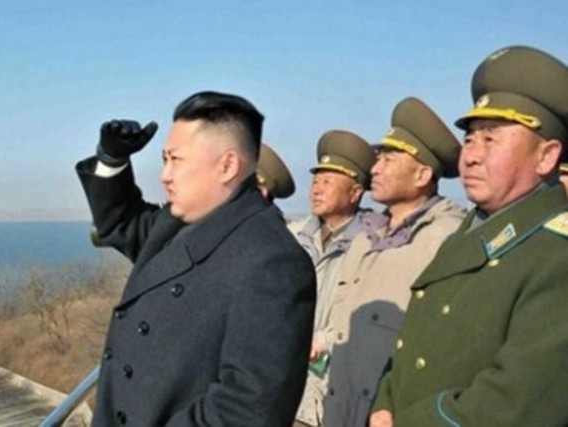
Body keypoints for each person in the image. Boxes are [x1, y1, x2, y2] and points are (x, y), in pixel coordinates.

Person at [76, 91, 316, 427]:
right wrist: (112, 158)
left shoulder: (274, 262)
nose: (165, 175)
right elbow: (120, 222)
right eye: (165, 159)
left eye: (176, 160)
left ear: (227, 166)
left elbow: (247, 410)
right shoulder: (177, 225)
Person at [370, 46, 568, 427]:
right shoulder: (468, 234)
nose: (471, 155)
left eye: (491, 139)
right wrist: (385, 401)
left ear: (546, 157)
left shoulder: (555, 255)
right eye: (471, 138)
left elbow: (516, 404)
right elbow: (414, 347)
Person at [322, 97, 466, 427]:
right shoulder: (365, 238)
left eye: (389, 159)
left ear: (422, 174)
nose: (375, 169)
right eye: (378, 159)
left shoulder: (446, 238)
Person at [290, 130, 376, 427]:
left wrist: (324, 340)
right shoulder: (294, 237)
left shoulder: (372, 245)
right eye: (316, 180)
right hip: (284, 389)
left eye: (328, 181)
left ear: (355, 192)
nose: (317, 189)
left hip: (333, 394)